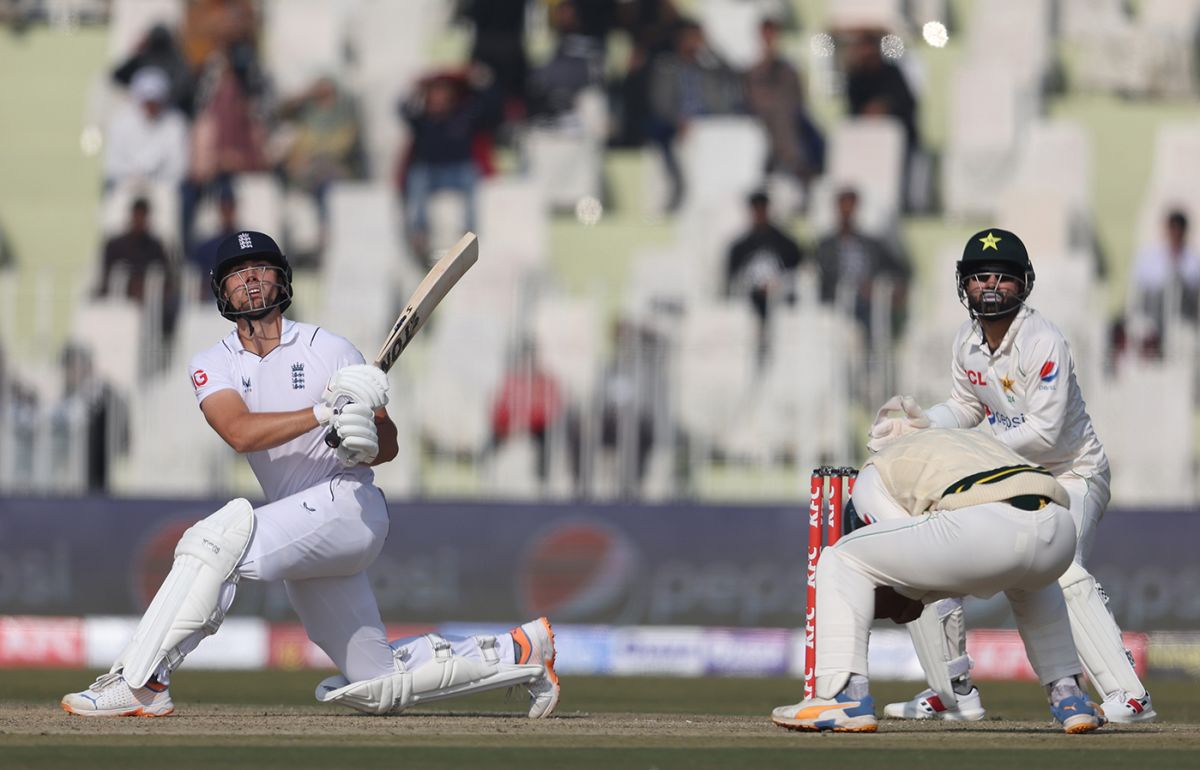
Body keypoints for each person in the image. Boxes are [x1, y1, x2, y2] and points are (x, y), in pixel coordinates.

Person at [62, 230, 559, 719]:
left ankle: (142, 681)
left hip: (348, 508)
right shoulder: (212, 363)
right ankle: (521, 650)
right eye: (238, 275)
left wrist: (362, 433)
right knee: (376, 683)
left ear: (283, 281)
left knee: (214, 539)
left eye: (261, 269)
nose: (251, 281)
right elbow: (239, 432)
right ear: (220, 291)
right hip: (302, 527)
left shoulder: (331, 350)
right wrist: (324, 413)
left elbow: (388, 447)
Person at [867, 228, 1156, 724]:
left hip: (1072, 474)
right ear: (965, 285)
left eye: (1002, 277)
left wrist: (967, 446)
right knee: (935, 554)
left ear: (1023, 284)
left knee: (1060, 568)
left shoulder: (1043, 341)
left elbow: (1044, 435)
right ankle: (951, 691)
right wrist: (921, 424)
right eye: (981, 277)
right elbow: (964, 406)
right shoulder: (967, 342)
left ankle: (1129, 695)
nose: (992, 287)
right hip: (1011, 479)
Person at [771, 428, 1106, 735]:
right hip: (1058, 529)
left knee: (840, 558)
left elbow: (907, 578)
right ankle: (1070, 697)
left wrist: (886, 599)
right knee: (1029, 578)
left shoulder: (870, 480)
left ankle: (841, 696)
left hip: (984, 528)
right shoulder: (957, 443)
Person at [646, 17, 744, 212]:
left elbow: (734, 75)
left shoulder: (707, 68)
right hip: (677, 127)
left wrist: (711, 47)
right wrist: (678, 121)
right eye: (689, 38)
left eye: (696, 38)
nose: (693, 43)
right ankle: (678, 195)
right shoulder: (666, 67)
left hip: (709, 127)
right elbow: (660, 104)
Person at [814, 187, 909, 345]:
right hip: (836, 300)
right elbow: (821, 278)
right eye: (843, 205)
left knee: (875, 313)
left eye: (851, 206)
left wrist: (893, 287)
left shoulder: (872, 244)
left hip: (868, 300)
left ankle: (871, 360)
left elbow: (899, 270)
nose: (847, 211)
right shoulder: (825, 246)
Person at [725, 190, 804, 356]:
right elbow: (732, 281)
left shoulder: (786, 244)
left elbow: (797, 275)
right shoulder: (740, 246)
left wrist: (777, 286)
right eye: (756, 209)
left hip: (780, 302)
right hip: (750, 303)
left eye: (762, 209)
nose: (759, 214)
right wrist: (755, 288)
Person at [103, 66, 190, 191]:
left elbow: (178, 166)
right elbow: (112, 164)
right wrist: (133, 176)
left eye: (155, 100)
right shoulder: (120, 122)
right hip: (125, 186)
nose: (151, 106)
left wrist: (153, 180)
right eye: (147, 100)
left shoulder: (175, 124)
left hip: (162, 188)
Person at [1129, 208, 1200, 357]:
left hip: (1181, 321)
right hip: (1151, 317)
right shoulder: (1149, 256)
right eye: (1172, 229)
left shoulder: (1193, 260)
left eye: (1178, 230)